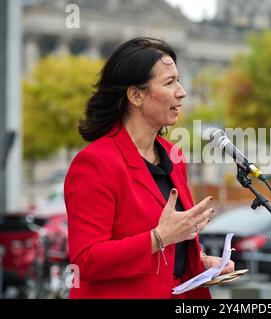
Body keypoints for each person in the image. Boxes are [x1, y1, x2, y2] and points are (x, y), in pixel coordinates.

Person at [64, 37, 234, 299]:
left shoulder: (172, 155)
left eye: (178, 80)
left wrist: (201, 265)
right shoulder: (95, 163)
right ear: (136, 95)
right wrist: (159, 238)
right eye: (169, 82)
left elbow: (170, 250)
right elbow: (86, 260)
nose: (182, 91)